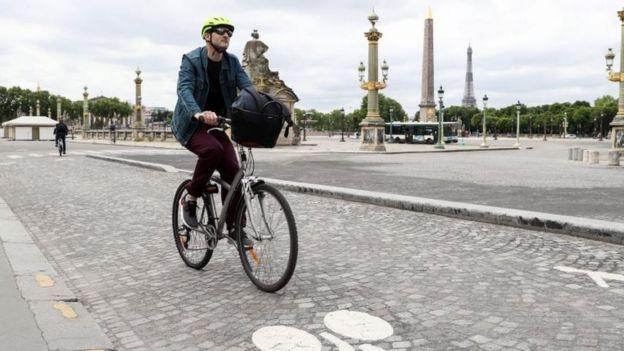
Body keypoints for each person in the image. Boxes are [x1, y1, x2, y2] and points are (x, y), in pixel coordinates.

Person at [171, 16, 253, 247]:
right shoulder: (192, 60)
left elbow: (247, 88)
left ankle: (235, 227)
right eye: (220, 31)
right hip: (191, 124)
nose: (226, 35)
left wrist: (266, 106)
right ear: (207, 36)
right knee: (211, 151)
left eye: (229, 32)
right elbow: (184, 89)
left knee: (234, 173)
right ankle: (191, 198)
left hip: (217, 124)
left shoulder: (233, 62)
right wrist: (198, 113)